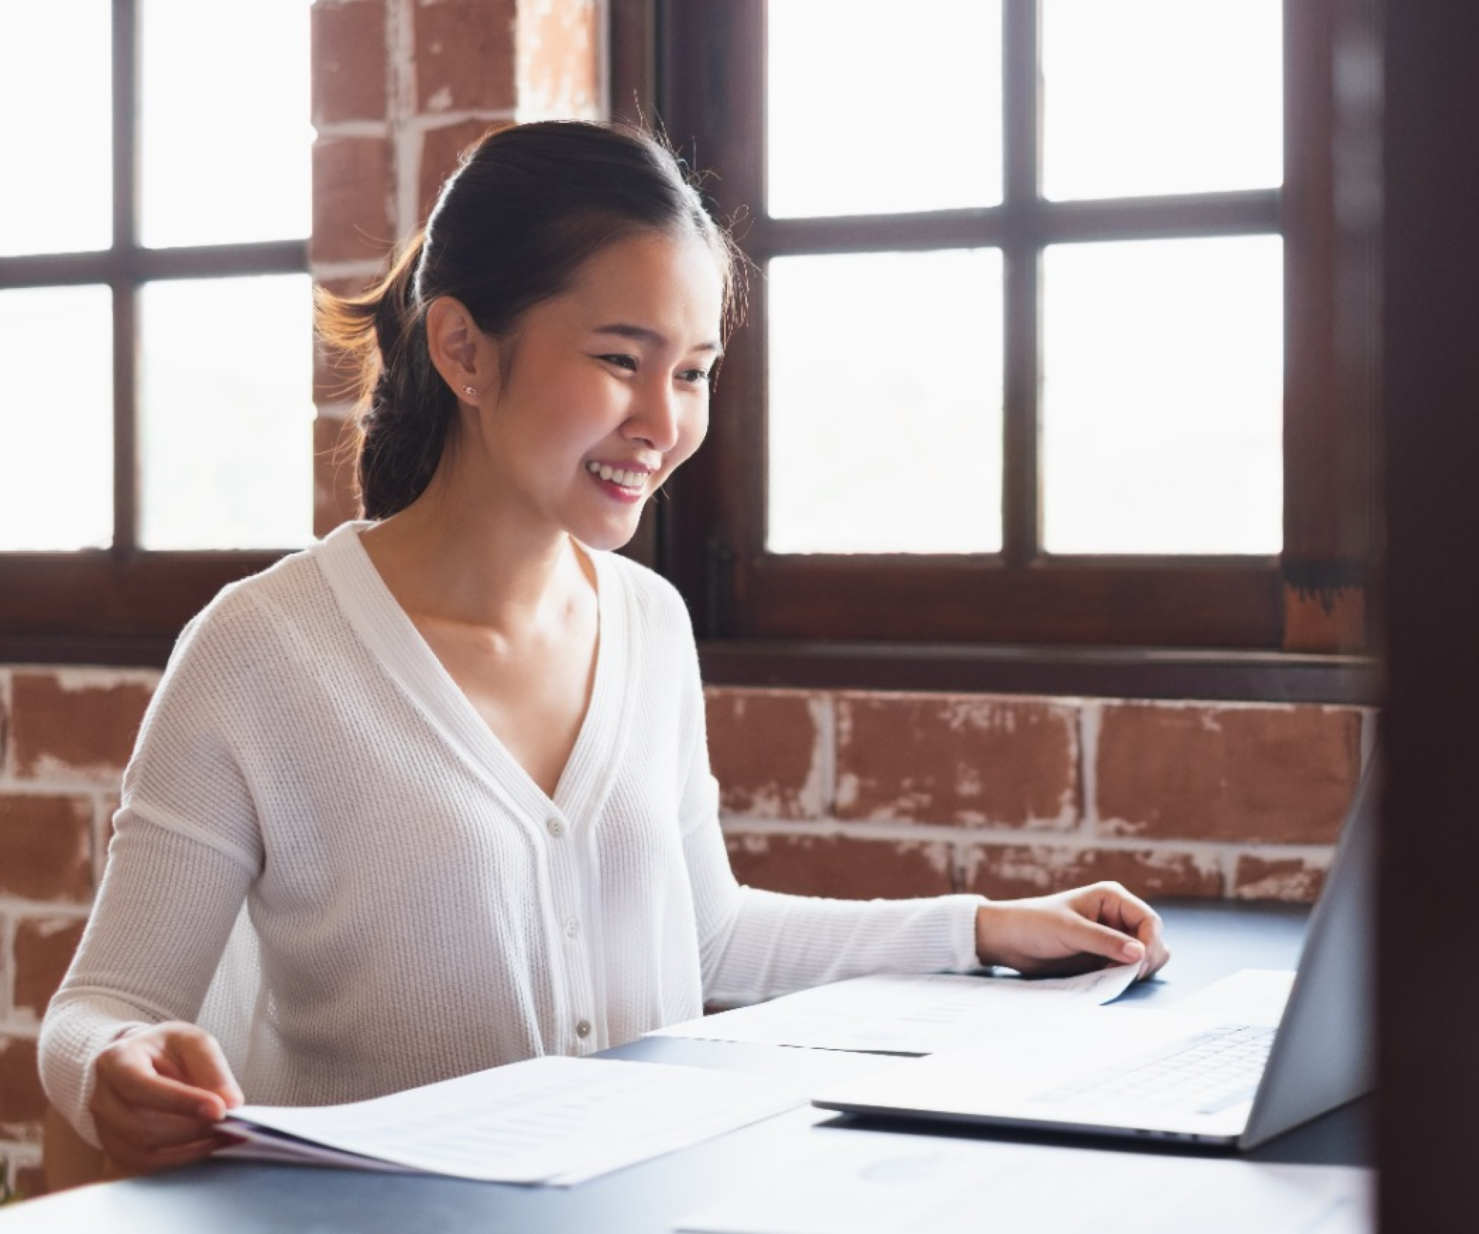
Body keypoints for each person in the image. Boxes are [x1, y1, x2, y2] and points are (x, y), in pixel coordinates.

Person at [40, 120, 1168, 1176]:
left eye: (692, 373)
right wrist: (109, 1069)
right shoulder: (260, 651)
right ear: (464, 352)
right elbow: (102, 1004)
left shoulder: (646, 621)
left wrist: (983, 930)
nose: (664, 422)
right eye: (623, 360)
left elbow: (707, 931)